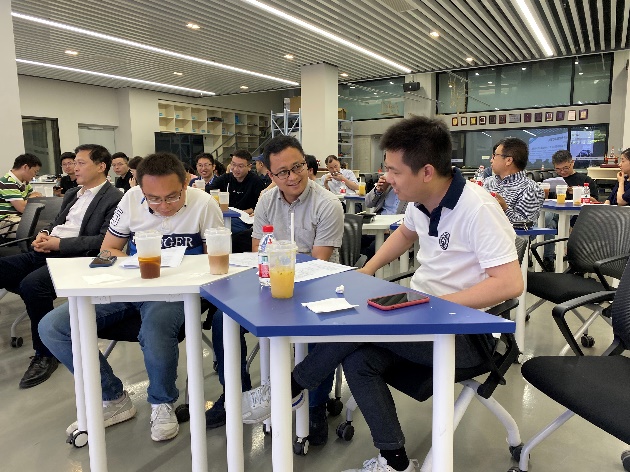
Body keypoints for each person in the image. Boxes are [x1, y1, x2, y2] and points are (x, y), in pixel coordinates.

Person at [240, 116, 523, 472]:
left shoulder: (478, 209)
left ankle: (288, 388)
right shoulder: (421, 200)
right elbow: (404, 234)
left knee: (360, 322)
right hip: (424, 317)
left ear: (426, 172)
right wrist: (367, 270)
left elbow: (510, 284)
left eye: (393, 170)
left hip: (467, 333)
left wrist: (434, 305)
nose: (386, 177)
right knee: (359, 360)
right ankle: (396, 462)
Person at [38, 152, 224, 442]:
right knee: (53, 326)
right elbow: (109, 248)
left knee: (155, 328)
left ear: (185, 184)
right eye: (153, 199)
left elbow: (216, 260)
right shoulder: (130, 199)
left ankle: (162, 402)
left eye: (172, 197)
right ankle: (113, 397)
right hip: (132, 283)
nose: (163, 206)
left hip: (177, 291)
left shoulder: (204, 204)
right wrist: (126, 266)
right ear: (140, 189)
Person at [207, 136, 344, 446]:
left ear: (307, 165)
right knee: (222, 320)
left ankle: (315, 404)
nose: (292, 177)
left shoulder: (327, 204)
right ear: (269, 174)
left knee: (323, 332)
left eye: (298, 167)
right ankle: (236, 393)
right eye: (282, 172)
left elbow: (319, 261)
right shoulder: (267, 201)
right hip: (271, 285)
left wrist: (281, 261)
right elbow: (259, 254)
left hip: (317, 287)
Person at [0, 144, 122, 388]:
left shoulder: (114, 197)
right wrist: (44, 235)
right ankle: (39, 309)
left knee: (33, 285)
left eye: (81, 163)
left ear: (101, 166)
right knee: (9, 272)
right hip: (48, 251)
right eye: (74, 162)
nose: (74, 167)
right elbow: (56, 223)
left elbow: (103, 241)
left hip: (76, 257)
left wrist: (59, 244)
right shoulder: (73, 193)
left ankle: (46, 353)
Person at [542, 150, 600, 270]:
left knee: (548, 221)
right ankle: (548, 259)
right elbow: (547, 202)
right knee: (550, 222)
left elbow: (595, 202)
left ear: (572, 163)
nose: (562, 172)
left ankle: (533, 238)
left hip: (577, 216)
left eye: (565, 168)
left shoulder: (585, 180)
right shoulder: (554, 181)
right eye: (558, 169)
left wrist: (579, 193)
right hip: (556, 214)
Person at [483, 137, 545, 223]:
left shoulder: (530, 189)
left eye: (495, 156)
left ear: (508, 160)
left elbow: (526, 224)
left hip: (507, 232)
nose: (491, 160)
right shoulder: (488, 182)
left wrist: (505, 209)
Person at [208, 150, 265, 234]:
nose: (235, 169)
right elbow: (209, 190)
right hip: (226, 217)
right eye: (233, 164)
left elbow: (260, 206)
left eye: (240, 166)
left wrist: (242, 212)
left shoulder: (256, 182)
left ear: (249, 167)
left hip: (246, 221)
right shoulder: (226, 178)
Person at [361, 162, 408, 260]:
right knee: (353, 241)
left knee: (373, 249)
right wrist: (378, 190)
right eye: (387, 169)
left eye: (392, 169)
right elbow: (368, 203)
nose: (388, 172)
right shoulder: (386, 183)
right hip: (378, 225)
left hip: (396, 230)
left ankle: (363, 268)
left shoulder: (412, 185)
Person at [0, 153, 43, 236]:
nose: (34, 176)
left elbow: (36, 198)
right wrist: (32, 198)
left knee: (49, 225)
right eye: (35, 171)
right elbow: (23, 208)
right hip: (6, 222)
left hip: (18, 219)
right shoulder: (7, 182)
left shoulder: (24, 183)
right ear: (25, 167)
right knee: (40, 228)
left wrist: (32, 198)